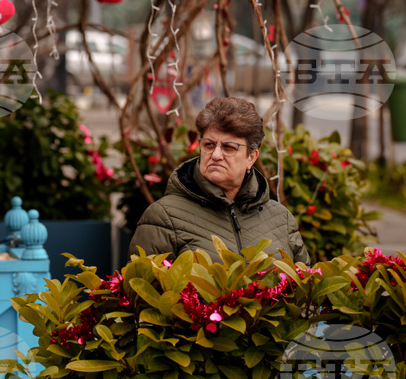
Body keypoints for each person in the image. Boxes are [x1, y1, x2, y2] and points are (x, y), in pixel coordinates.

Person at [129, 96, 310, 264]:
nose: (216, 155)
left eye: (229, 147)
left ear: (251, 157)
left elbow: (303, 288)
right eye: (209, 144)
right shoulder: (163, 217)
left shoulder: (281, 219)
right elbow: (141, 291)